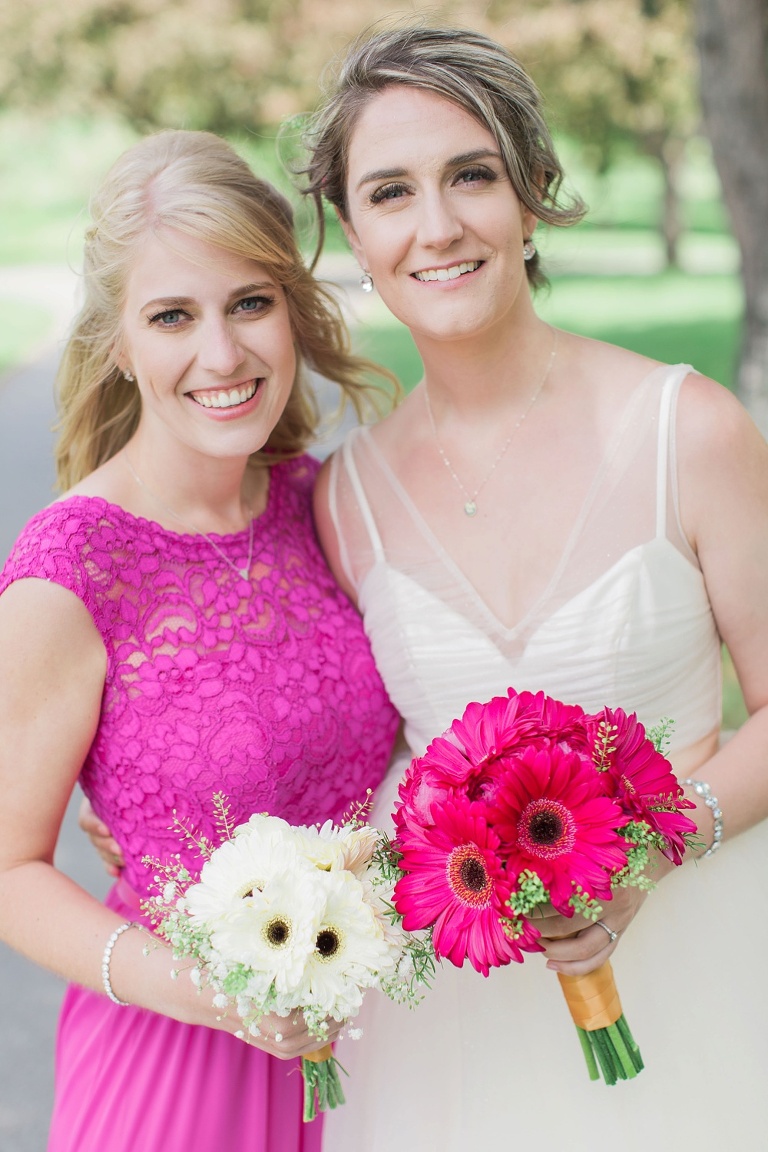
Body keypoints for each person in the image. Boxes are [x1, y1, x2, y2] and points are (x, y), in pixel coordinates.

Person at [296, 23, 768, 1151]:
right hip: (452, 1042)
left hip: (702, 978)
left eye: (472, 175)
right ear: (353, 232)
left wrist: (650, 852)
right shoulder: (346, 499)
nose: (438, 225)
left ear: (532, 194)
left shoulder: (688, 428)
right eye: (391, 192)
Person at [0, 128, 400, 1152]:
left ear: (293, 309)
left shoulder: (321, 504)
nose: (220, 355)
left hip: (374, 1057)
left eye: (249, 303)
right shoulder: (71, 571)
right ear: (118, 342)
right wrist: (215, 992)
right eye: (172, 315)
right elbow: (8, 871)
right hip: (178, 1075)